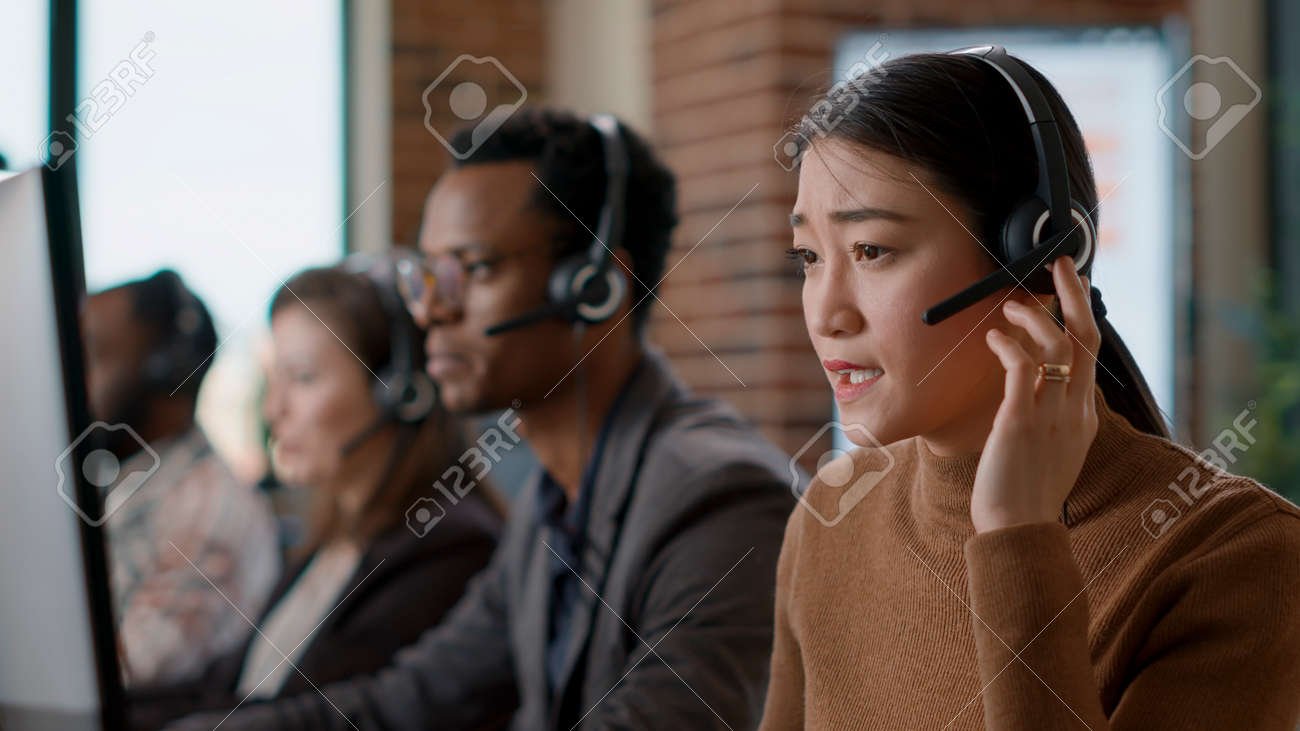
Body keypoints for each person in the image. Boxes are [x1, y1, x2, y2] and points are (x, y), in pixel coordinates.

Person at [166, 108, 800, 730]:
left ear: (594, 285)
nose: (432, 311)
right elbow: (412, 700)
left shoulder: (719, 499)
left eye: (473, 269)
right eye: (428, 276)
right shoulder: (549, 506)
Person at [759, 47, 1300, 729]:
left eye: (872, 250)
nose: (826, 314)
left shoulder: (1232, 554)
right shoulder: (829, 520)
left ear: (1039, 260)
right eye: (809, 257)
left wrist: (1019, 537)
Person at [128, 261, 504, 728]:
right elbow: (226, 691)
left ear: (397, 392)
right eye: (274, 380)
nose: (273, 410)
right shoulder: (330, 542)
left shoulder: (449, 548)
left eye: (303, 378)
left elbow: (313, 715)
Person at [82, 269, 280, 686]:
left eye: (93, 356)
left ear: (165, 371)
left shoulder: (206, 510)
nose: (71, 380)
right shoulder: (128, 484)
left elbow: (120, 674)